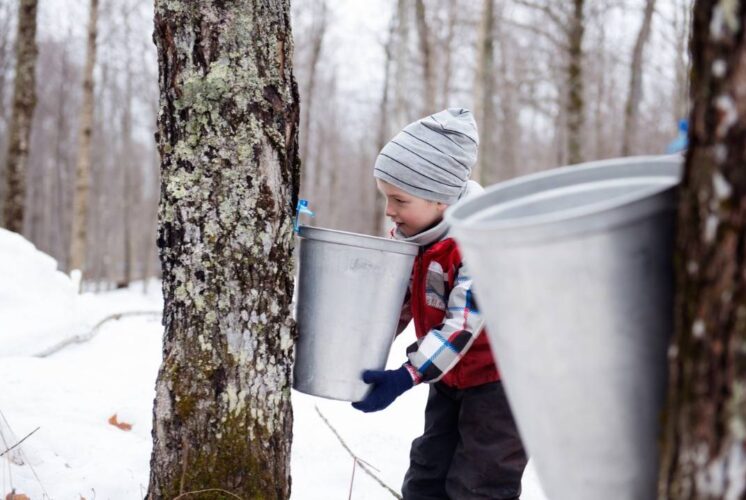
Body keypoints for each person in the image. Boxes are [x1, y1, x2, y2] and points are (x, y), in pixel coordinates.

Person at [351, 108, 528, 499]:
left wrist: (404, 376)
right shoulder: (415, 236)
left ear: (441, 201)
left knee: (480, 482)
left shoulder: (479, 242)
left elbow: (461, 325)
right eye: (386, 198)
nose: (389, 211)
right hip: (450, 378)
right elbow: (396, 302)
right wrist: (358, 345)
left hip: (503, 384)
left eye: (399, 199)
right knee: (427, 475)